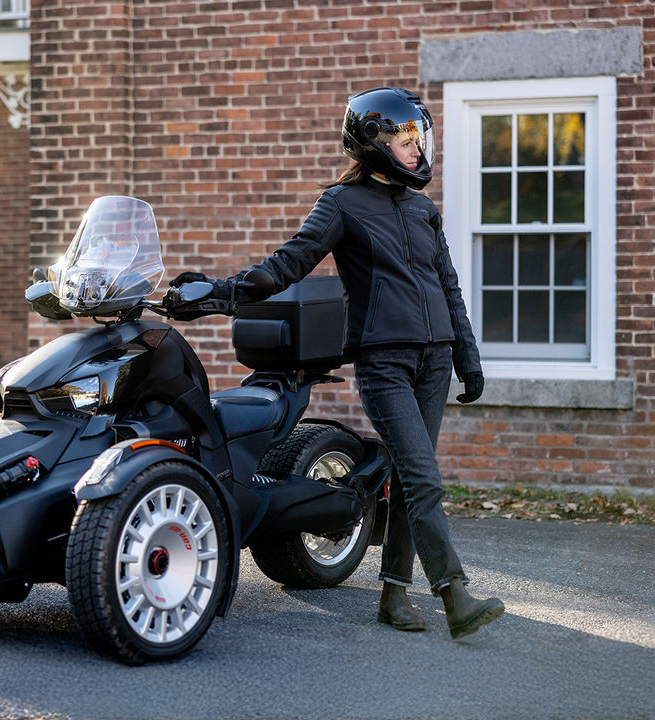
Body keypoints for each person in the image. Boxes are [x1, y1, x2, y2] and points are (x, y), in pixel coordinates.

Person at [172, 87, 505, 639]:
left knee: (406, 478)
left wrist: (467, 357)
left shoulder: (424, 210)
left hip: (435, 361)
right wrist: (215, 293)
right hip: (384, 364)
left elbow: (448, 287)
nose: (416, 151)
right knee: (425, 478)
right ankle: (455, 593)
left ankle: (394, 598)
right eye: (404, 141)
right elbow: (286, 265)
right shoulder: (341, 204)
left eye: (418, 140)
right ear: (374, 145)